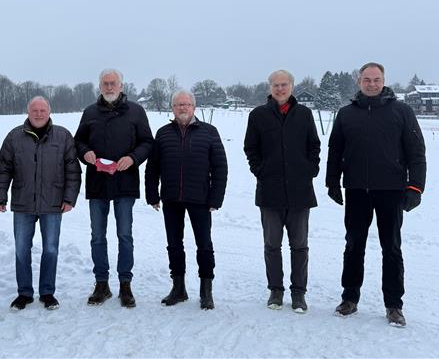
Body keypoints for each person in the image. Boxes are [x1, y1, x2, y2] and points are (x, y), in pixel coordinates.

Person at [326, 62, 426, 327]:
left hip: (391, 190)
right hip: (357, 189)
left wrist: (415, 187)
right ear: (359, 81)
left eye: (376, 79)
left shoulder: (402, 111)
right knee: (353, 246)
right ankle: (350, 298)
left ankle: (394, 305)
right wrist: (332, 182)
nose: (371, 84)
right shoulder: (346, 114)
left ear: (384, 81)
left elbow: (416, 152)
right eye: (367, 79)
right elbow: (335, 150)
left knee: (391, 248)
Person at [0, 97, 82, 311]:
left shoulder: (62, 136)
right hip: (23, 203)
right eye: (35, 110)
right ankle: (24, 293)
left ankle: (47, 293)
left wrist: (69, 198)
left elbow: (73, 170)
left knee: (51, 249)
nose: (39, 114)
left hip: (53, 203)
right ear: (28, 112)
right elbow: (4, 168)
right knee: (22, 249)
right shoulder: (15, 136)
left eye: (43, 110)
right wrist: (0, 196)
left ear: (50, 111)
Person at [74, 68, 154, 308]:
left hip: (125, 182)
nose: (109, 87)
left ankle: (125, 284)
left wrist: (133, 158)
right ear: (100, 87)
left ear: (121, 86)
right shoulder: (90, 112)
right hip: (98, 183)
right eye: (105, 84)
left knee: (124, 235)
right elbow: (79, 141)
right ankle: (101, 283)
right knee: (98, 236)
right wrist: (84, 152)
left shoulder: (136, 112)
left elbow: (147, 142)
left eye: (113, 83)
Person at [244, 70, 320, 313]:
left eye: (284, 84)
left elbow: (314, 146)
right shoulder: (258, 115)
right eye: (275, 85)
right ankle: (275, 291)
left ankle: (299, 293)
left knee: (299, 246)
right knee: (272, 245)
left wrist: (310, 169)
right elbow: (250, 148)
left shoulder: (304, 114)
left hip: (300, 192)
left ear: (292, 86)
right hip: (270, 192)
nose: (280, 89)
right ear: (270, 87)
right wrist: (260, 170)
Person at [145, 89, 227, 310]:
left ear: (194, 107)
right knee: (174, 244)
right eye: (178, 105)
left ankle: (206, 290)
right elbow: (153, 167)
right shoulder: (163, 133)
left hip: (200, 198)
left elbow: (220, 167)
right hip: (171, 197)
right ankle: (178, 288)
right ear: (172, 108)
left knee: (204, 244)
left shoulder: (209, 132)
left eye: (186, 104)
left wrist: (215, 197)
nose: (182, 108)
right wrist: (152, 194)